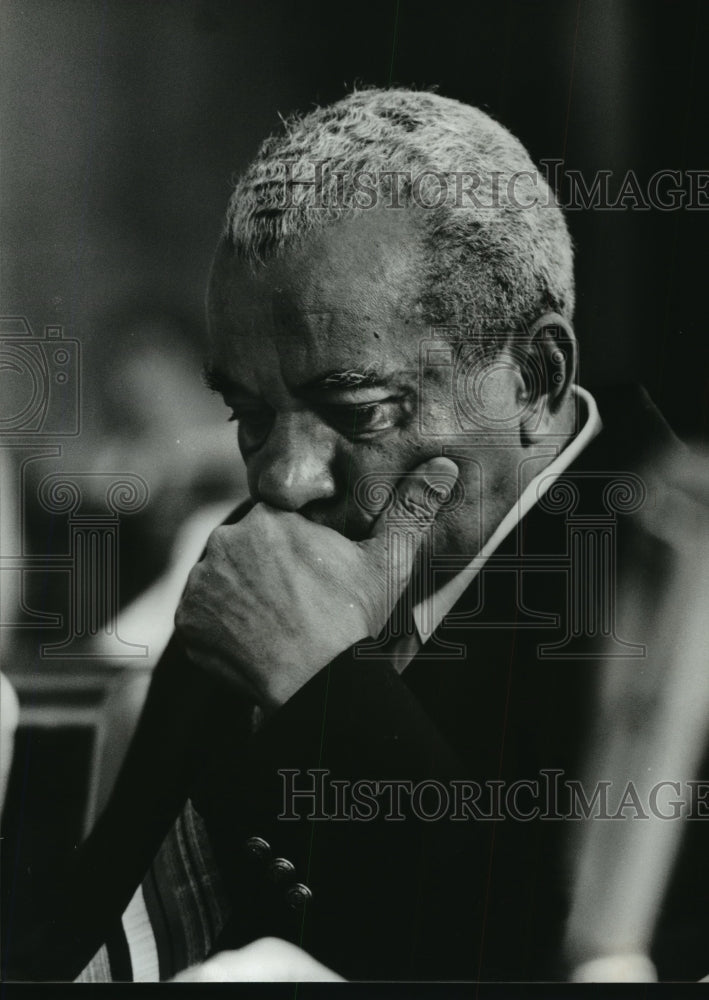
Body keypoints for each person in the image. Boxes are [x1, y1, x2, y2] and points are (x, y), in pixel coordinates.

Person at [6, 87, 708, 983]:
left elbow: (538, 962)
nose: (281, 479)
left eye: (357, 410)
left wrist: (323, 686)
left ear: (533, 378)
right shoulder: (262, 549)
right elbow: (76, 933)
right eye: (249, 414)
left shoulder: (668, 596)